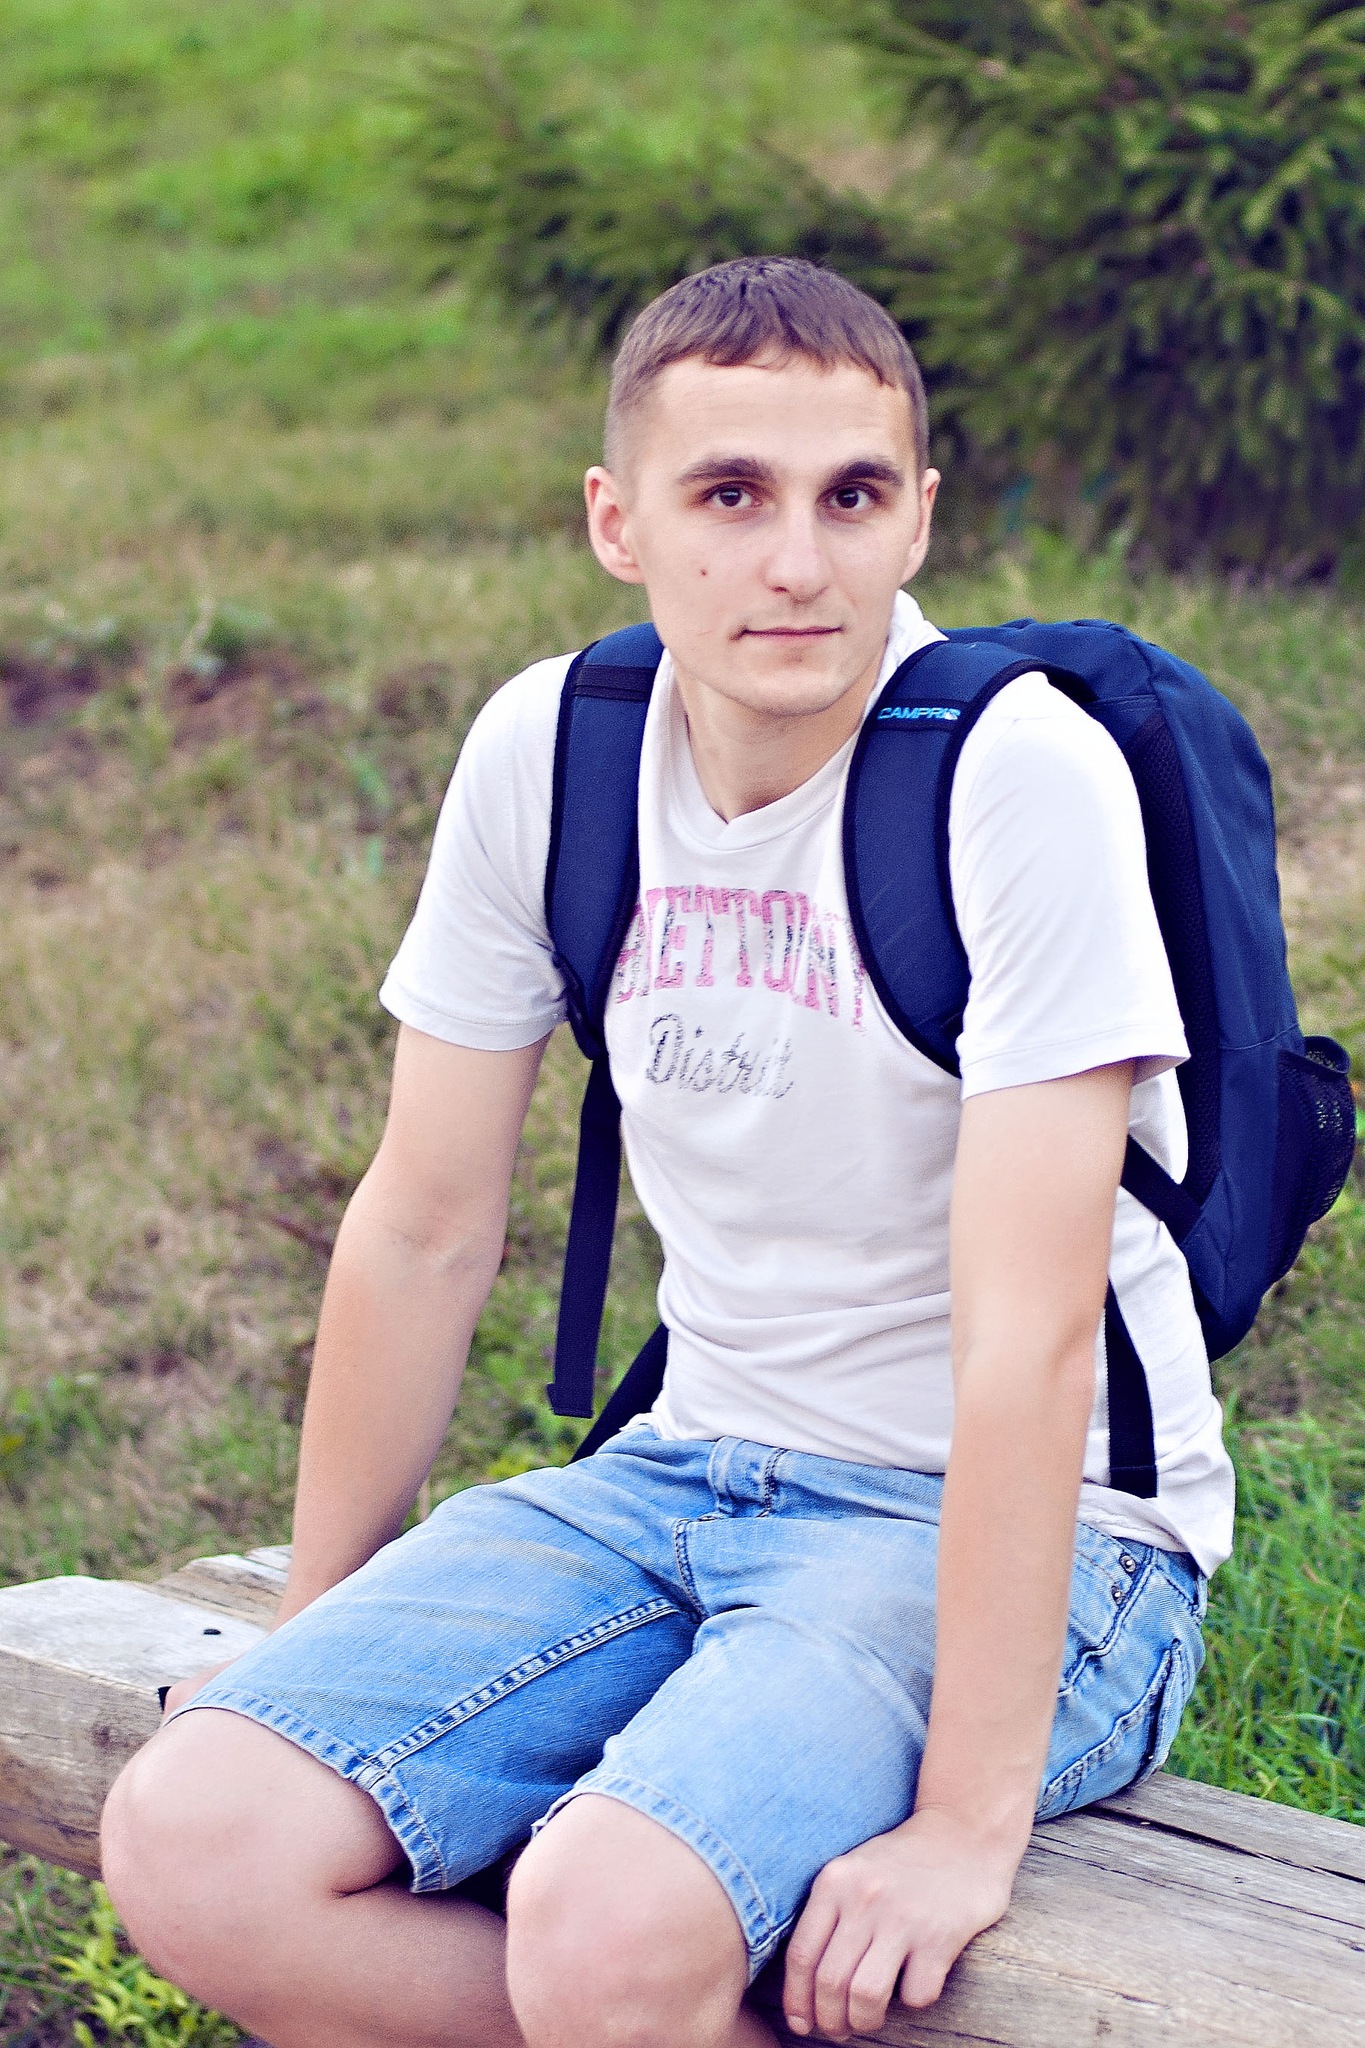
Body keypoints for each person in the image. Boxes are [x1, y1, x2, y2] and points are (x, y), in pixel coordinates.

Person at [101, 256, 1232, 2048]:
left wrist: (962, 1827)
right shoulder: (555, 748)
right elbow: (421, 1224)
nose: (797, 563)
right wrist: (315, 1638)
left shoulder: (1014, 775)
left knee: (607, 1920)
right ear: (616, 523)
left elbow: (1023, 1342)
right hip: (677, 1472)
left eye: (850, 497)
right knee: (195, 1841)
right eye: (729, 496)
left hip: (1044, 1535)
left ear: (917, 516)